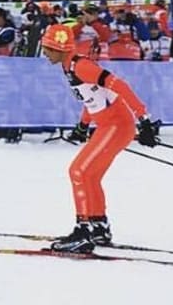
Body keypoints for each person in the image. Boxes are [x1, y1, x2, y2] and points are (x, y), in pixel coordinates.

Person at [39, 24, 159, 254]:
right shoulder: (69, 65)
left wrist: (144, 119)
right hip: (108, 125)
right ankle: (98, 227)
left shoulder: (81, 65)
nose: (44, 52)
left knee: (78, 171)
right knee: (90, 176)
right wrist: (84, 124)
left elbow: (119, 85)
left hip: (116, 126)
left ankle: (83, 232)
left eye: (47, 47)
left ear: (59, 47)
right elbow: (92, 97)